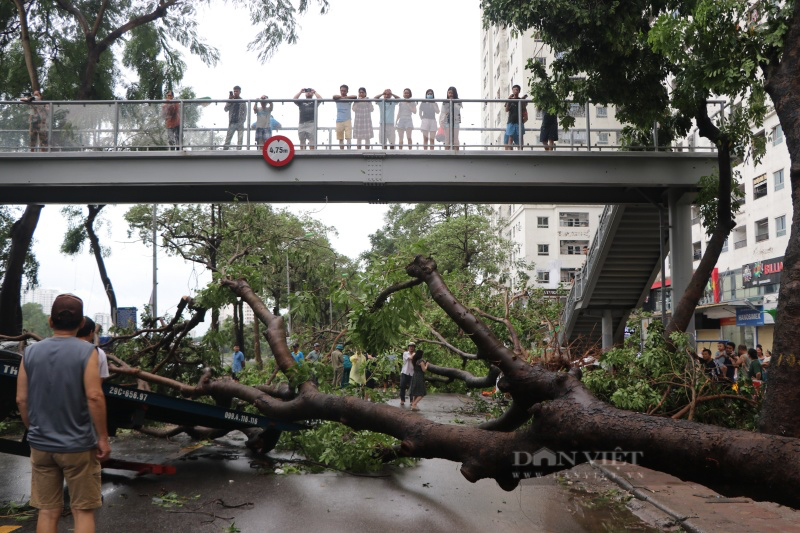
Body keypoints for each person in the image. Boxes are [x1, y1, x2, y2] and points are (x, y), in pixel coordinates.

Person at [16, 293, 111, 533]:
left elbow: (21, 399)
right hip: (78, 445)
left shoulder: (30, 352)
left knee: (47, 511)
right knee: (82, 510)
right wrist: (102, 437)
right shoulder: (87, 352)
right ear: (81, 324)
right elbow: (94, 396)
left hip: (42, 445)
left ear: (50, 321)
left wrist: (33, 429)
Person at [333, 84, 357, 149]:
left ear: (347, 91)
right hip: (339, 120)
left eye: (344, 91)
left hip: (348, 120)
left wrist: (345, 98)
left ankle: (349, 150)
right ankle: (341, 151)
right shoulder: (338, 99)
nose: (343, 92)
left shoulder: (349, 99)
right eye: (341, 91)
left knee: (348, 137)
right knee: (340, 138)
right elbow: (334, 96)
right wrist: (341, 97)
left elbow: (355, 97)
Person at [505, 84, 528, 150]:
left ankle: (520, 151)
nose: (515, 91)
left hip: (519, 122)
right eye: (514, 89)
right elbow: (506, 110)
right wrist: (508, 100)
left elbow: (524, 111)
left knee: (520, 137)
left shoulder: (521, 101)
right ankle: (509, 152)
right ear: (512, 90)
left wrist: (522, 121)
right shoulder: (510, 100)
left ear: (519, 91)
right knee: (510, 137)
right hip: (511, 121)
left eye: (517, 89)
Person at [223, 85, 247, 150]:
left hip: (240, 122)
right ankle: (225, 151)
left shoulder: (243, 101)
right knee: (228, 138)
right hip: (232, 122)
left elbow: (245, 111)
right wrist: (229, 100)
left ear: (240, 92)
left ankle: (239, 151)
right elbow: (225, 109)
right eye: (234, 91)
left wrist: (242, 120)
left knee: (240, 139)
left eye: (237, 91)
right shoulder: (231, 100)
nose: (235, 92)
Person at [440, 86, 462, 151]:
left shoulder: (458, 101)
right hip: (447, 121)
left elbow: (458, 108)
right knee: (447, 139)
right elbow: (443, 112)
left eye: (452, 93)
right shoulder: (445, 102)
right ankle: (446, 152)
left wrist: (452, 101)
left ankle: (456, 152)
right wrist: (441, 122)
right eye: (449, 93)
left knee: (455, 139)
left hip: (455, 121)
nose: (450, 94)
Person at [399, 341, 416, 406]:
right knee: (402, 386)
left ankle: (411, 400)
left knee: (411, 387)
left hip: (412, 372)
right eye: (410, 347)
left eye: (412, 347)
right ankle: (402, 400)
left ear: (414, 348)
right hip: (404, 372)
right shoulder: (405, 353)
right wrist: (414, 355)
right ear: (408, 347)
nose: (411, 348)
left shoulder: (415, 354)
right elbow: (410, 358)